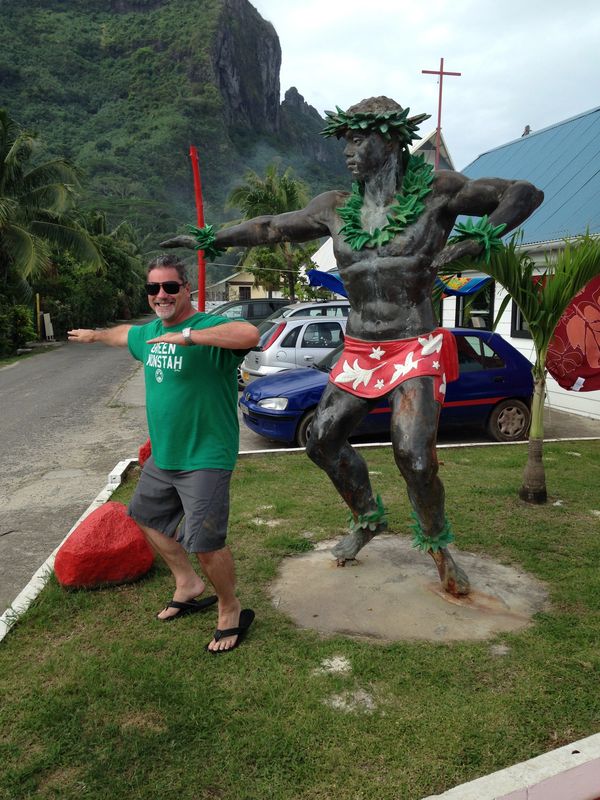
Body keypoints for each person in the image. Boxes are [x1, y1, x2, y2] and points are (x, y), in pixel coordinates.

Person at [161, 97, 543, 597]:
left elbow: (523, 192)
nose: (349, 150)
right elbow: (271, 226)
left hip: (414, 342)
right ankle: (368, 516)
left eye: (359, 139)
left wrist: (480, 240)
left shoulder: (439, 193)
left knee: (416, 456)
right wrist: (214, 240)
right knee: (320, 438)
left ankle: (437, 543)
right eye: (345, 140)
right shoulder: (335, 207)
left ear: (390, 140)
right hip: (361, 347)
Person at [68, 254, 259, 652]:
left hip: (206, 454)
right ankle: (187, 584)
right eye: (153, 288)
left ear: (186, 288)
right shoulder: (150, 332)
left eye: (170, 286)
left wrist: (188, 336)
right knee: (145, 516)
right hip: (165, 455)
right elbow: (125, 333)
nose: (161, 294)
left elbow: (248, 335)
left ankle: (230, 607)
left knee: (205, 541)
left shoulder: (208, 326)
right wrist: (95, 336)